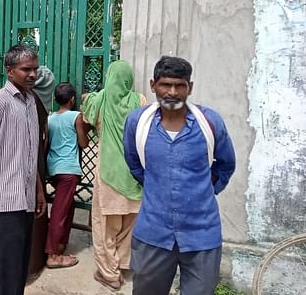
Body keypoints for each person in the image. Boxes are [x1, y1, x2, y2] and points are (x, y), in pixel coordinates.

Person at [123, 56, 235, 295]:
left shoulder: (210, 122)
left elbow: (226, 165)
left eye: (179, 85)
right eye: (165, 84)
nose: (172, 92)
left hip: (202, 235)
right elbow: (135, 165)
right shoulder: (137, 122)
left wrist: (203, 191)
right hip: (153, 232)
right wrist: (158, 188)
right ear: (153, 85)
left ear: (190, 87)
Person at [0, 45, 47, 295]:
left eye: (35, 69)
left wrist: (38, 190)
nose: (32, 74)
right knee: (3, 268)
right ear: (10, 70)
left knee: (19, 267)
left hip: (26, 199)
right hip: (5, 200)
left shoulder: (30, 101)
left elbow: (29, 154)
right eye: (26, 69)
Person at [81, 60, 146, 291]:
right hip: (134, 175)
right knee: (129, 226)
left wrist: (89, 97)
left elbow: (86, 116)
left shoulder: (99, 99)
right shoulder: (140, 100)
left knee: (104, 227)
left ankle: (109, 274)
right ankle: (122, 264)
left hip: (108, 175)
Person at [45, 83, 89, 269]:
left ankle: (61, 244)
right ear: (72, 99)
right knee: (60, 211)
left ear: (56, 99)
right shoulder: (75, 116)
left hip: (53, 169)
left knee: (67, 206)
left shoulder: (50, 118)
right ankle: (53, 255)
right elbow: (83, 143)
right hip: (69, 169)